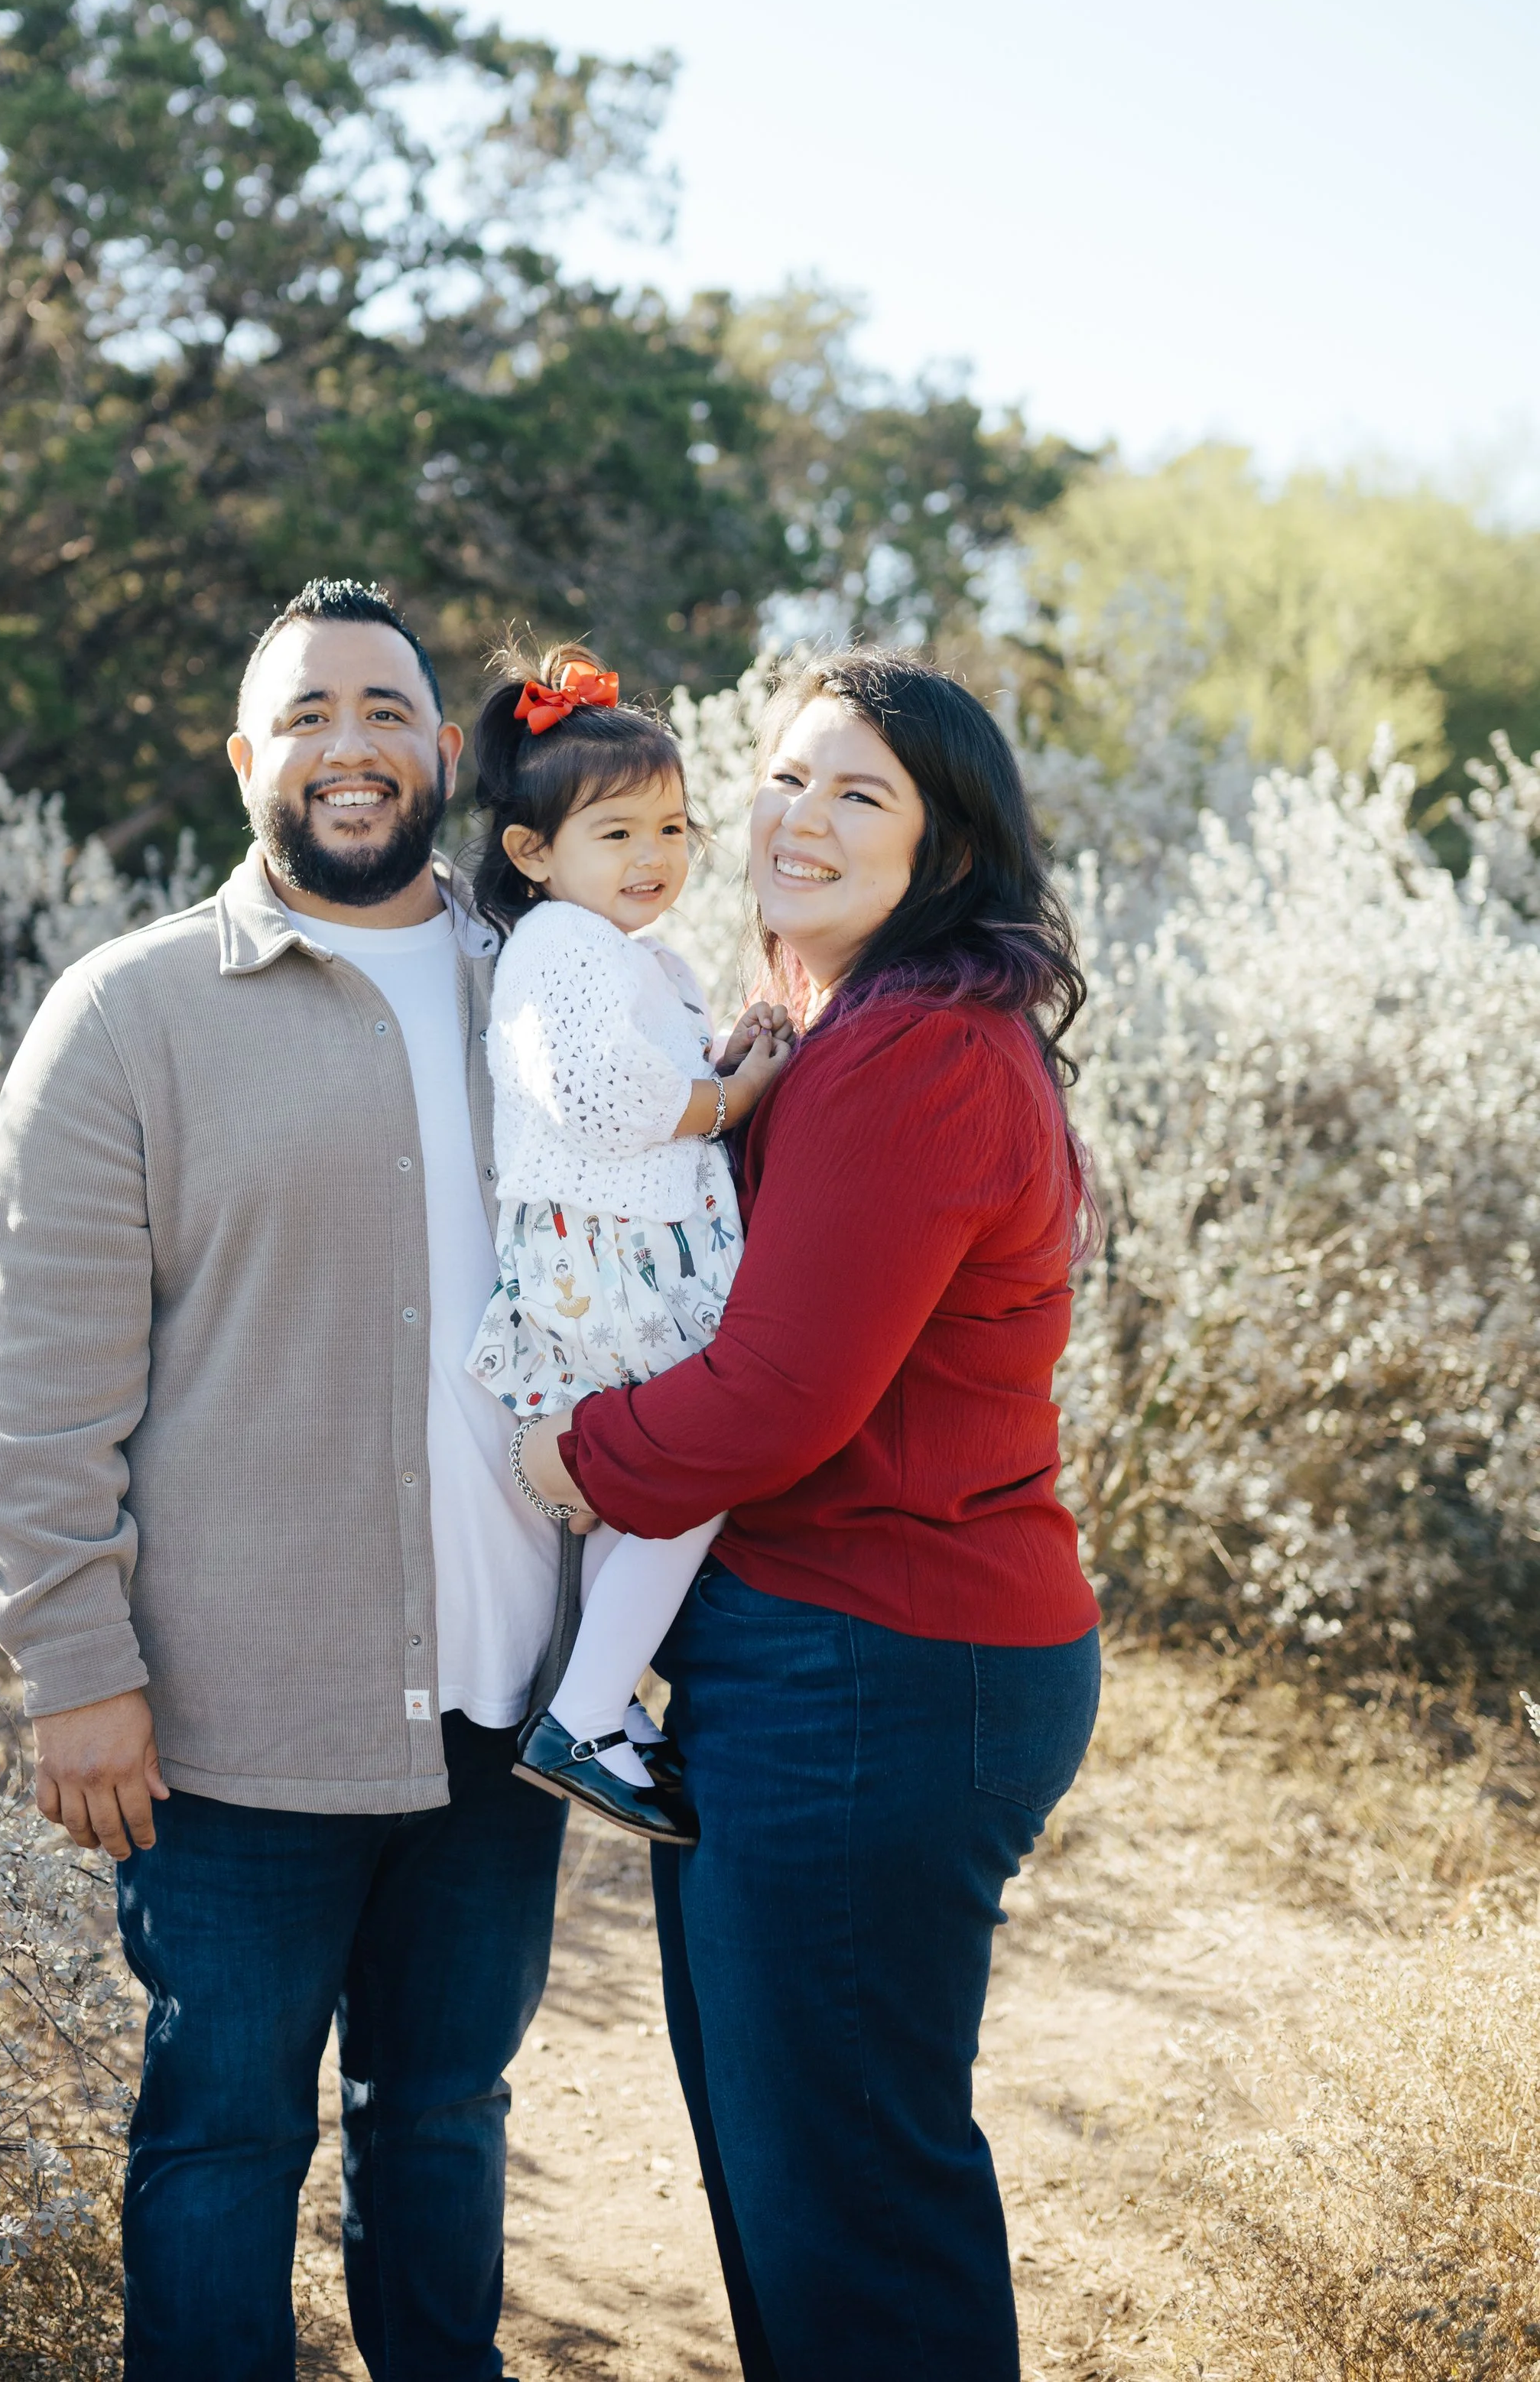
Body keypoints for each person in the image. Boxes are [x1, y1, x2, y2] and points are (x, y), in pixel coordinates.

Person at [0, 577, 571, 2382]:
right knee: (223, 2136)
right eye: (306, 715)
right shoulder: (128, 1016)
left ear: (443, 752)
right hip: (231, 1723)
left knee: (446, 2117)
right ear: (248, 759)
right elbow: (38, 1381)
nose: (349, 746)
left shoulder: (547, 989)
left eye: (384, 710)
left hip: (498, 1705)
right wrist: (77, 1673)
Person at [515, 649, 1104, 2382]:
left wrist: (580, 1461)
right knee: (790, 2183)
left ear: (945, 849)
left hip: (881, 1674)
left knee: (845, 2202)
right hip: (836, 1668)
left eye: (861, 792)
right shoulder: (845, 1035)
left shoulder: (916, 1052)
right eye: (782, 776)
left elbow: (777, 1398)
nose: (800, 817)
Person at [458, 644, 793, 1844]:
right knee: (687, 1469)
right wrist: (730, 1104)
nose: (654, 857)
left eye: (672, 827)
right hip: (610, 1265)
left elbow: (640, 1082)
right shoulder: (557, 946)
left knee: (651, 1490)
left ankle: (601, 1701)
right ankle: (589, 1709)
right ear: (534, 853)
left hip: (631, 1250)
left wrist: (726, 1056)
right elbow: (603, 1105)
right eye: (618, 834)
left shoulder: (630, 952)